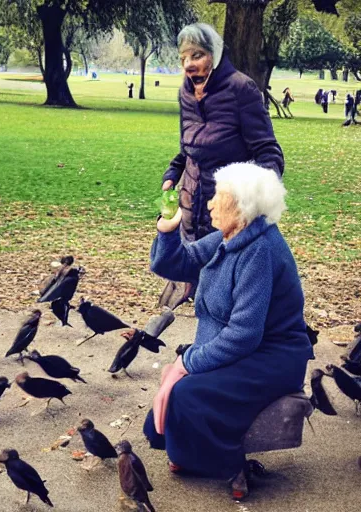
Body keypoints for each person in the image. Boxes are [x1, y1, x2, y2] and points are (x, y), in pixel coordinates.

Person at [144, 163, 313, 500]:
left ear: (242, 208)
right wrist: (167, 229)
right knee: (173, 395)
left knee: (188, 392)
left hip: (273, 356)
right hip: (245, 347)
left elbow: (244, 334)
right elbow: (175, 263)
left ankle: (228, 464)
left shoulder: (260, 251)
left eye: (218, 198)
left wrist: (188, 361)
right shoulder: (230, 237)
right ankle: (190, 452)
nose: (209, 205)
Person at [158, 23, 284, 307]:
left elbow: (268, 151)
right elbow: (187, 148)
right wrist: (172, 173)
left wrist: (256, 198)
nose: (189, 65)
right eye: (183, 58)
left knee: (225, 294)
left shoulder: (242, 88)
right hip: (191, 206)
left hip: (225, 210)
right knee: (195, 283)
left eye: (197, 55)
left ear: (214, 55)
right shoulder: (186, 92)